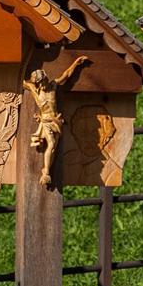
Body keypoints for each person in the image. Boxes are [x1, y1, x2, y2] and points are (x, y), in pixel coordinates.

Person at [22, 56, 91, 188]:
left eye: (43, 81)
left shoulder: (53, 86)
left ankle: (47, 169)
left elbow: (66, 75)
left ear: (46, 78)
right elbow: (20, 80)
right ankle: (46, 172)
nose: (42, 85)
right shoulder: (34, 90)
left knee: (54, 147)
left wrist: (76, 63)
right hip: (46, 121)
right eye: (39, 83)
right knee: (52, 144)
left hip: (56, 121)